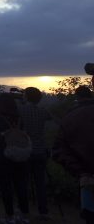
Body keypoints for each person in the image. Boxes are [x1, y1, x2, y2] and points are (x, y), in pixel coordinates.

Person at [53, 84, 94, 224]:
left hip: (86, 179)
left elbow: (58, 151)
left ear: (77, 98)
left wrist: (80, 173)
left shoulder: (70, 117)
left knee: (89, 215)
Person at [0, 92, 30, 224]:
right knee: (21, 185)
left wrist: (0, 134)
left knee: (6, 186)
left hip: (3, 154)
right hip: (20, 154)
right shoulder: (19, 117)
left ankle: (10, 216)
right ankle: (23, 215)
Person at [19, 86, 53, 218]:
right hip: (40, 150)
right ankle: (43, 211)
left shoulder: (20, 110)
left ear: (26, 96)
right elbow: (51, 118)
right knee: (40, 184)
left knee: (23, 182)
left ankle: (24, 210)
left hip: (25, 151)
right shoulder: (43, 111)